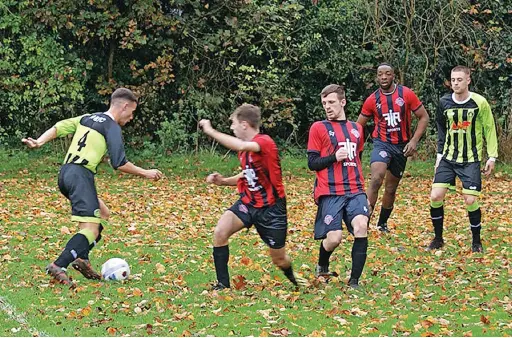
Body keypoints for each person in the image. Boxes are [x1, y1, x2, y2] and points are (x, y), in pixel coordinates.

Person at [22, 88, 162, 286]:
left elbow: (60, 127)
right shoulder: (112, 127)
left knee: (103, 213)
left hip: (66, 174)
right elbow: (119, 163)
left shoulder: (88, 118)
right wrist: (146, 172)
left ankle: (82, 258)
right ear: (125, 106)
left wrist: (39, 141)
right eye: (132, 112)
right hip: (80, 176)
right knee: (90, 228)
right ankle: (59, 265)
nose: (131, 118)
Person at [199, 104, 305, 290]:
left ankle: (294, 277)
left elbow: (240, 144)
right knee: (220, 232)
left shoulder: (264, 142)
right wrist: (223, 181)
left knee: (279, 259)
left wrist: (209, 130)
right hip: (248, 203)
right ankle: (222, 285)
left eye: (233, 124)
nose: (231, 128)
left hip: (272, 209)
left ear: (245, 125)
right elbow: (246, 175)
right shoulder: (244, 151)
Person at [428, 65, 498, 253]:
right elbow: (442, 131)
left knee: (470, 200)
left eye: (459, 80)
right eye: (453, 80)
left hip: (470, 160)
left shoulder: (479, 102)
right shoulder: (444, 102)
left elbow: (489, 129)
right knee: (435, 196)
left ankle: (476, 241)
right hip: (448, 159)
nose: (456, 83)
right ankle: (438, 238)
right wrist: (439, 156)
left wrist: (492, 156)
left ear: (468, 80)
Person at [307, 84, 369, 288]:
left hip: (355, 190)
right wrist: (334, 157)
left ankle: (354, 282)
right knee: (334, 238)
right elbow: (312, 163)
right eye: (324, 103)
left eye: (331, 102)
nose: (327, 106)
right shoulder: (318, 127)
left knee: (361, 226)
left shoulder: (357, 128)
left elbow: (357, 159)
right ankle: (322, 265)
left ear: (343, 102)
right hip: (330, 191)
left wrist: (363, 189)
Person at [357, 63, 429, 232]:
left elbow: (424, 117)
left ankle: (382, 223)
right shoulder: (372, 100)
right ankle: (363, 223)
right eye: (380, 74)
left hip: (401, 147)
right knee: (376, 178)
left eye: (387, 74)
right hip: (382, 143)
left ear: (393, 75)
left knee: (390, 188)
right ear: (376, 77)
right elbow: (358, 126)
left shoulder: (406, 94)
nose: (383, 77)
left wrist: (414, 141)